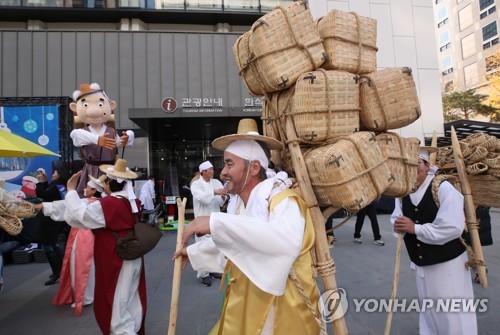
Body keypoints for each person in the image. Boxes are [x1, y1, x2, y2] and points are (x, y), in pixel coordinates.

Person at [173, 118, 323, 334]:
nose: (223, 172)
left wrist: (215, 222)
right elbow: (237, 242)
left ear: (253, 167)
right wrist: (194, 251)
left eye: (229, 163)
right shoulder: (238, 204)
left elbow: (283, 242)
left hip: (280, 312)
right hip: (245, 304)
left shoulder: (283, 199)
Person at [37, 159, 147, 335]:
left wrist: (71, 190)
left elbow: (79, 214)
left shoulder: (111, 204)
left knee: (117, 302)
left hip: (116, 256)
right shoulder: (132, 202)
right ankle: (133, 329)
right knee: (131, 298)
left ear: (110, 182)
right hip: (131, 254)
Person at [391, 146, 477, 335]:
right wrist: (399, 227)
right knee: (430, 309)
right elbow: (396, 219)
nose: (413, 169)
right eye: (407, 165)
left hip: (448, 264)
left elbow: (452, 227)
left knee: (453, 312)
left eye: (417, 164)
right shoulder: (403, 192)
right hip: (422, 264)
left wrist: (415, 228)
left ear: (427, 165)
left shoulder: (443, 188)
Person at [45, 175, 105, 316]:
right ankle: (86, 295)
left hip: (84, 238)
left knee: (82, 268)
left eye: (88, 187)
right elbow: (66, 206)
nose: (85, 189)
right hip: (84, 237)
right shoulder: (89, 202)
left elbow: (70, 209)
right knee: (86, 268)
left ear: (94, 191)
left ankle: (85, 296)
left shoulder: (91, 203)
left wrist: (70, 189)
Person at [69, 83, 135, 197]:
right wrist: (97, 139)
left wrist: (127, 137)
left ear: (111, 105)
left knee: (111, 198)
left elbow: (119, 142)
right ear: (75, 108)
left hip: (110, 171)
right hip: (91, 170)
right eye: (85, 105)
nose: (93, 110)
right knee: (89, 198)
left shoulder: (111, 131)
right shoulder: (82, 132)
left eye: (100, 104)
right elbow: (75, 135)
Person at [190, 160, 227, 287]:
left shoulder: (216, 182)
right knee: (201, 248)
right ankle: (203, 274)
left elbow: (220, 202)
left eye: (212, 169)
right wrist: (216, 192)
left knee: (215, 246)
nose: (212, 171)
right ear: (203, 171)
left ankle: (213, 270)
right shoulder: (196, 185)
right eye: (210, 169)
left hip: (215, 219)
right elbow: (203, 199)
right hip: (201, 220)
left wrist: (223, 196)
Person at [35, 160, 70, 286]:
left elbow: (41, 194)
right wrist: (44, 182)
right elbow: (46, 194)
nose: (53, 174)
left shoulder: (58, 187)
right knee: (52, 245)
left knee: (48, 246)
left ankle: (56, 272)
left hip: (49, 221)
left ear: (60, 173)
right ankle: (59, 270)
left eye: (55, 172)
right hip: (50, 220)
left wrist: (40, 182)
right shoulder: (58, 185)